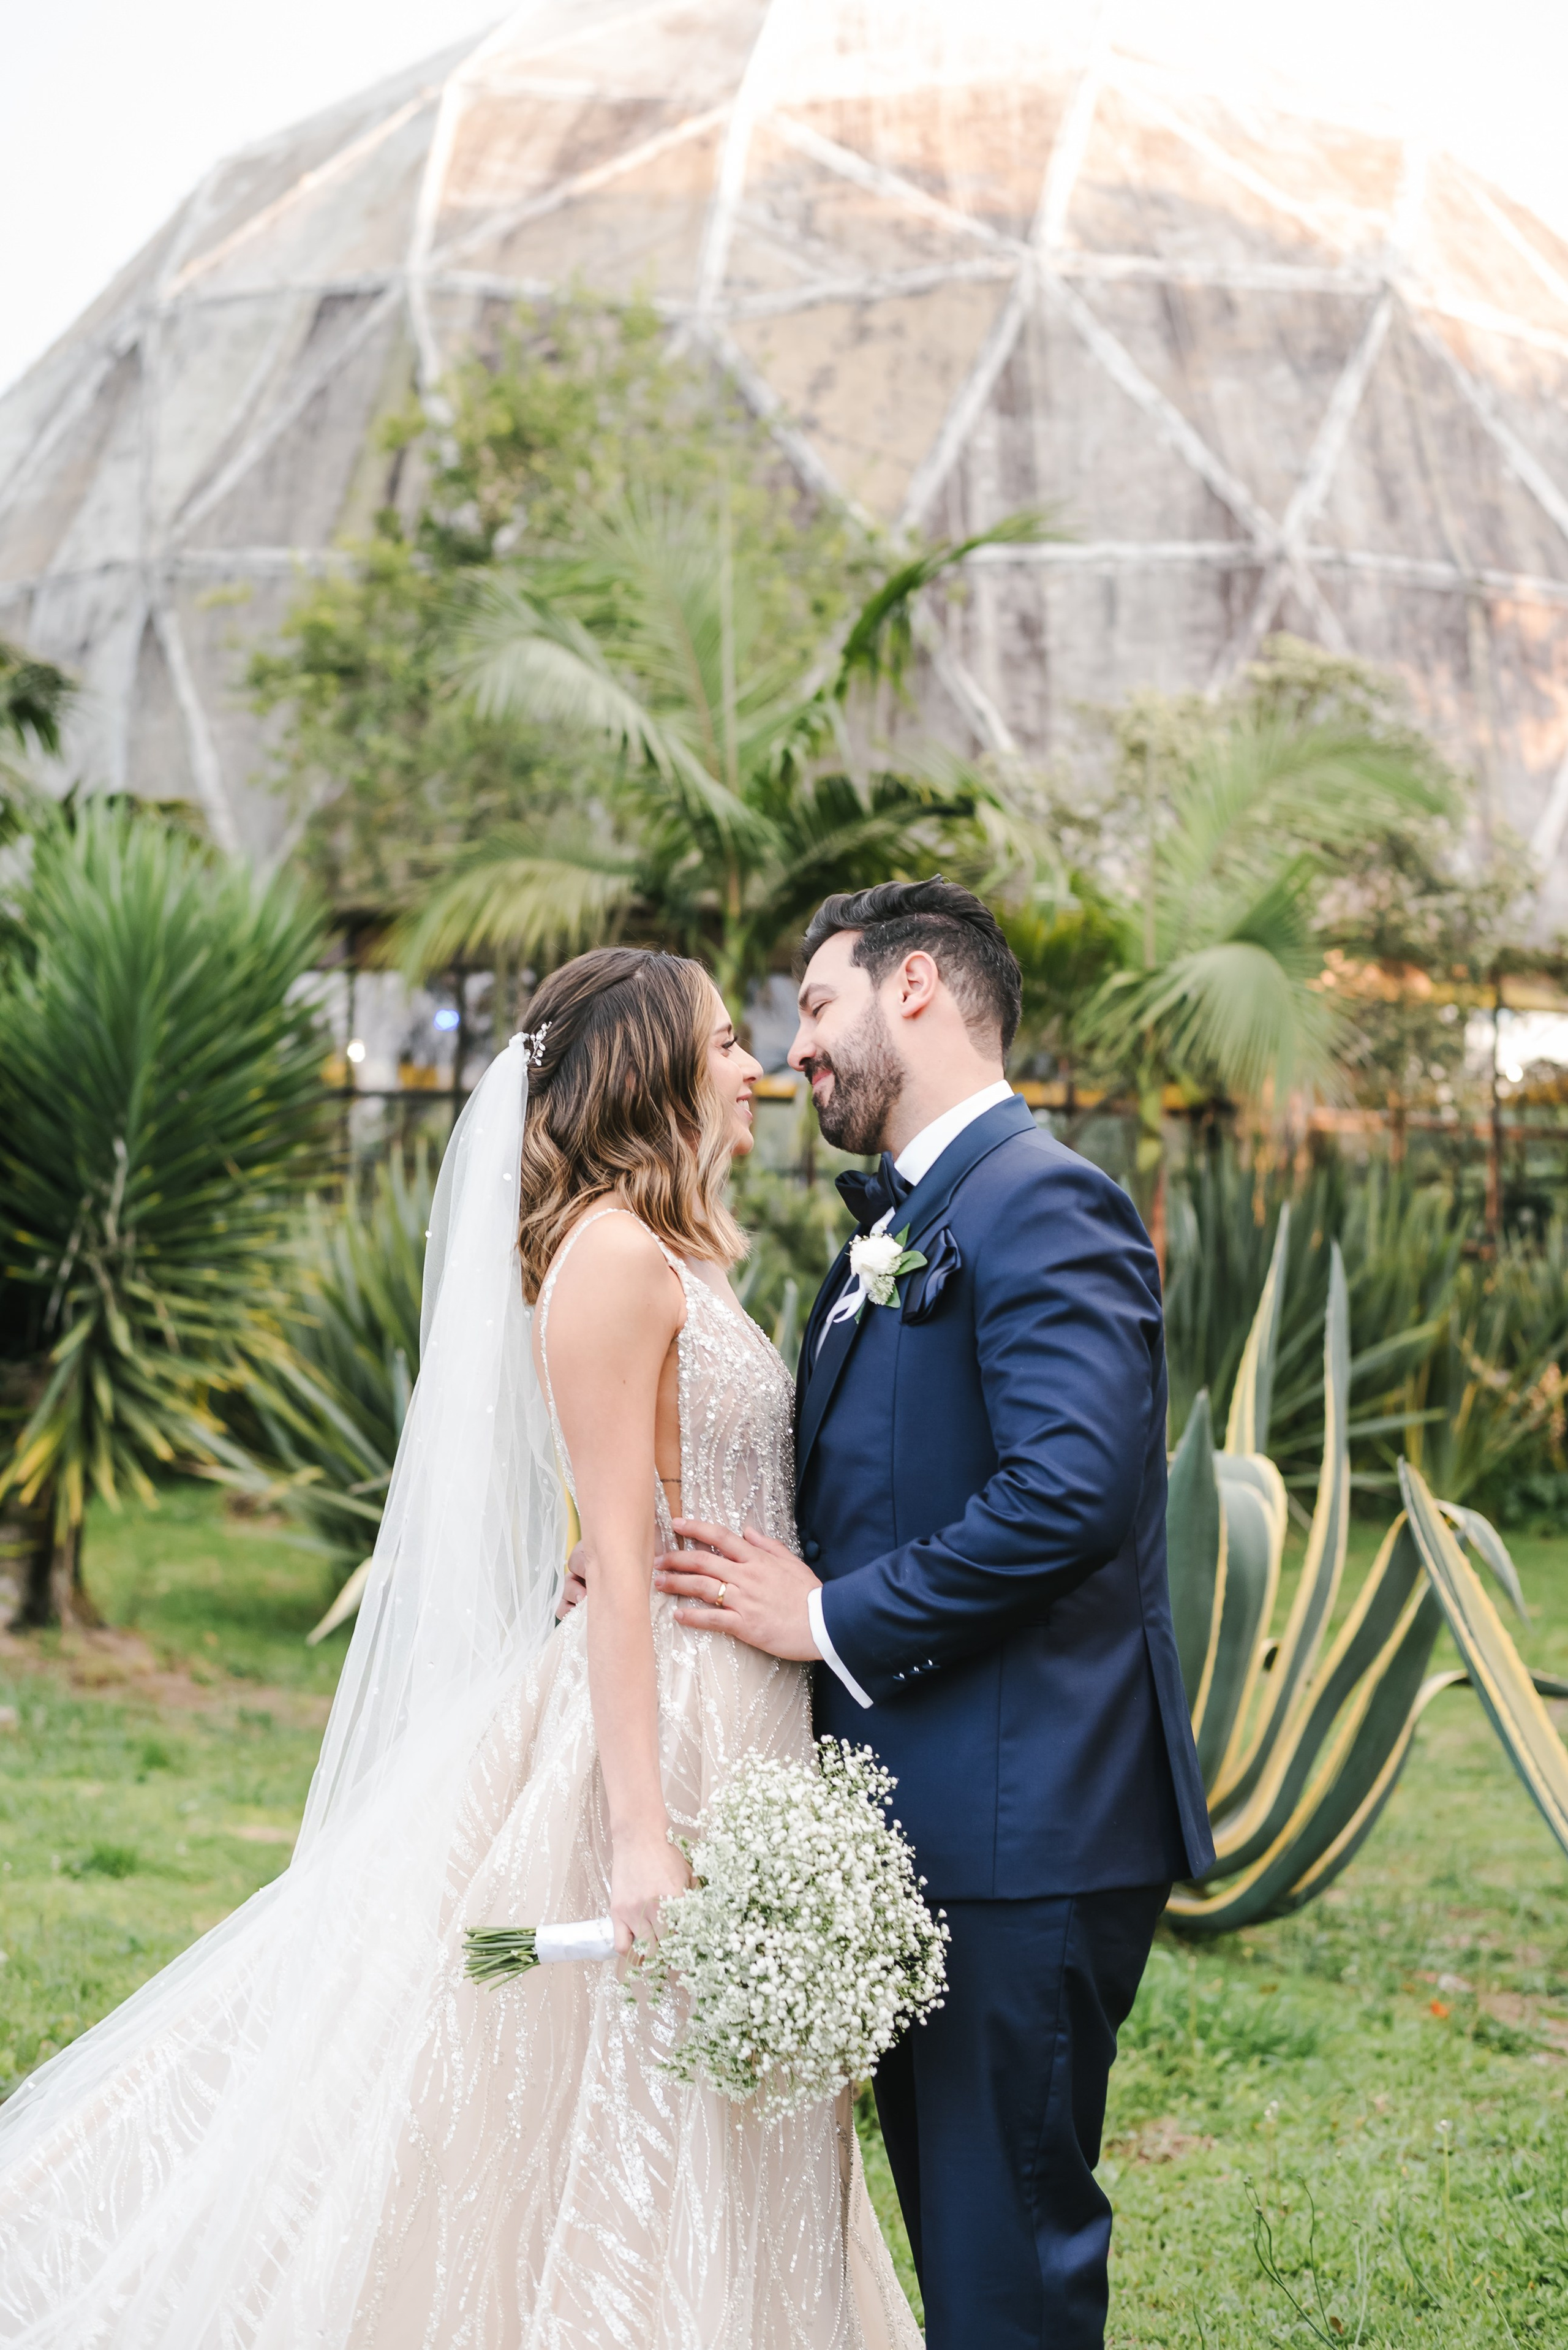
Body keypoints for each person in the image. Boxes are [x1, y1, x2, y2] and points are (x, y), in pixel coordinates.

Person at [0, 947, 918, 2350]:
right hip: (665, 1721)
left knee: (713, 2090)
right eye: (726, 1042)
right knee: (616, 2084)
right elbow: (616, 1562)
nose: (753, 1070)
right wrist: (636, 1838)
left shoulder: (674, 1252)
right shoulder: (610, 1252)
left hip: (750, 1709)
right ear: (651, 1071)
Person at [650, 879, 1215, 2350]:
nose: (792, 1053)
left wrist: (830, 1616)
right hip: (936, 1826)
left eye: (816, 1005)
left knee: (1001, 2266)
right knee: (965, 2251)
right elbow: (864, 1479)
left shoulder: (1042, 1199)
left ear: (913, 989)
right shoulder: (899, 1227)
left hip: (1022, 1830)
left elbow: (1069, 1491)